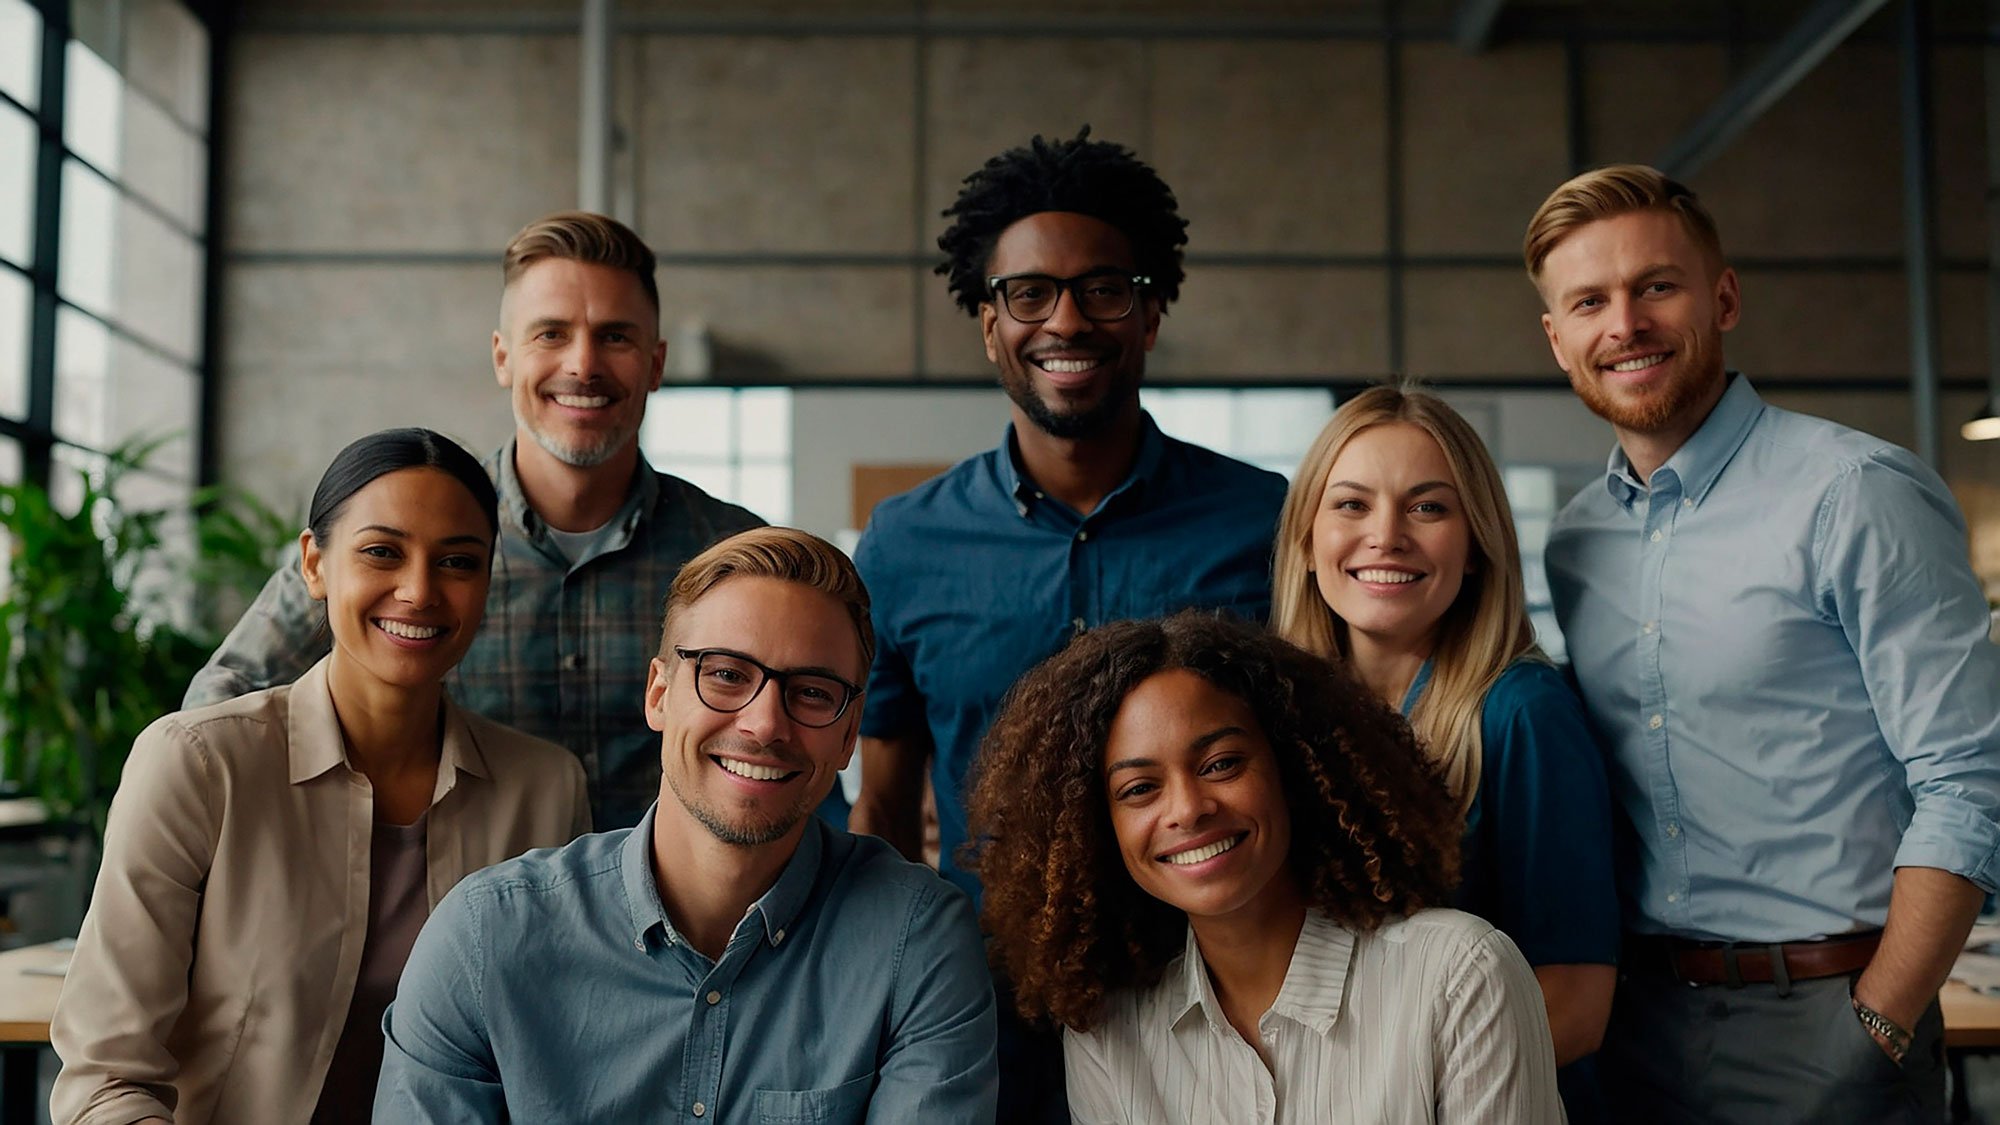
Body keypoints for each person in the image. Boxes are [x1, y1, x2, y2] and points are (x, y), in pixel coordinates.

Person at [1529, 163, 2000, 1122]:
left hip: (1833, 1015)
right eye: (1589, 301)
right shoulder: (1578, 541)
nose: (1624, 324)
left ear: (1724, 296)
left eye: (1655, 285)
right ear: (1557, 337)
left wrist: (1879, 1018)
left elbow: (1970, 772)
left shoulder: (1855, 492)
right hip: (1634, 1026)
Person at [849, 128, 1286, 1119]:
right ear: (986, 321)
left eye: (1102, 288)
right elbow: (879, 811)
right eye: (1027, 294)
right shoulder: (904, 543)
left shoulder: (1264, 523)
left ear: (1151, 307)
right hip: (983, 1006)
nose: (1066, 320)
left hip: (1219, 991)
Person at [49, 428, 591, 1125]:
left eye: (458, 561)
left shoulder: (546, 790)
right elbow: (105, 1076)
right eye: (381, 552)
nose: (420, 590)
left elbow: (559, 1061)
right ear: (314, 564)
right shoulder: (198, 763)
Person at [375, 527, 997, 1122]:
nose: (763, 725)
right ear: (659, 694)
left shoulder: (917, 942)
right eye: (726, 674)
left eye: (811, 692)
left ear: (849, 735)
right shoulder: (484, 937)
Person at [185, 212, 762, 829]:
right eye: (551, 334)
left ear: (655, 363)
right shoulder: (402, 532)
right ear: (502, 357)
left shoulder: (733, 554)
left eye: (616, 337)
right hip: (451, 913)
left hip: (678, 919)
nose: (583, 365)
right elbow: (221, 703)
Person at [965, 611, 1563, 1124]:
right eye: (1140, 788)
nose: (1188, 809)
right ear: (1099, 828)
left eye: (1222, 764)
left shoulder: (1460, 978)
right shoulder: (1108, 1032)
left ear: (1293, 769)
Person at [1270, 384, 1618, 1119]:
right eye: (1351, 504)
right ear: (1305, 540)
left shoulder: (1524, 715)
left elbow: (1580, 1001)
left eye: (1428, 506)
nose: (1386, 535)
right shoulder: (1274, 722)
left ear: (1476, 547)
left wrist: (1384, 1097)